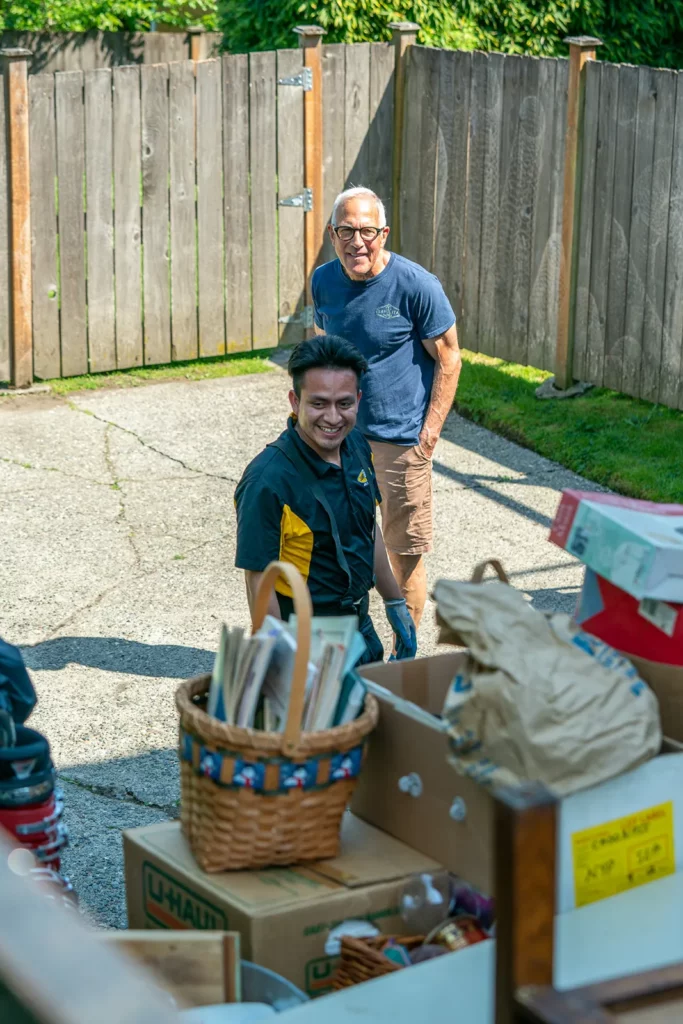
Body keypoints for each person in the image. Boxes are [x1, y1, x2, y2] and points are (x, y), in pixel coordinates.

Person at [312, 186, 462, 634]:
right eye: (345, 231)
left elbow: (450, 357)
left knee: (403, 555)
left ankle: (405, 656)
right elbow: (322, 348)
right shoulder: (323, 280)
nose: (357, 241)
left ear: (384, 233)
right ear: (331, 234)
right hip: (340, 441)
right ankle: (348, 645)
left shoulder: (416, 285)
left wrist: (429, 433)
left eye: (367, 231)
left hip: (400, 443)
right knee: (340, 547)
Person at [234, 335, 416, 665]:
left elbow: (367, 528)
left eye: (344, 404)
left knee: (377, 714)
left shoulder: (358, 446)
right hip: (305, 641)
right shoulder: (267, 480)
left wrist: (394, 602)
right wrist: (277, 661)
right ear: (294, 401)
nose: (333, 418)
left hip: (359, 626)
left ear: (358, 399)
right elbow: (258, 583)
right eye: (318, 403)